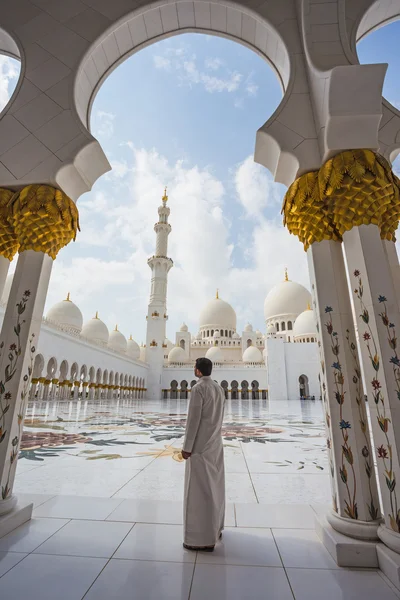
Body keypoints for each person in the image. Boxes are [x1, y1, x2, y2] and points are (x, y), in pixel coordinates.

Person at [181, 357, 225, 552]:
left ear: (198, 371)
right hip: (215, 444)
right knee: (215, 486)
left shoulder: (198, 389)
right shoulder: (218, 388)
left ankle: (200, 539)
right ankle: (216, 529)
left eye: (194, 367)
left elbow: (193, 421)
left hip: (199, 447)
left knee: (198, 492)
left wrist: (187, 447)